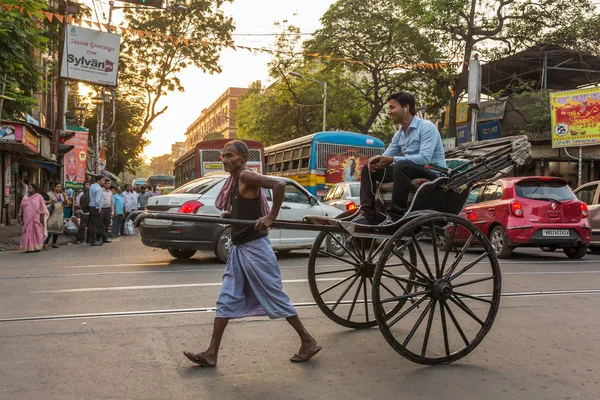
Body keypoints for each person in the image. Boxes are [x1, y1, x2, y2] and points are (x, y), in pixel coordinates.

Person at [183, 140, 320, 367]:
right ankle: (211, 353)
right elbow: (247, 206)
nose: (225, 160)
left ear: (243, 159)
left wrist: (271, 217)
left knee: (275, 296)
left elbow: (279, 186)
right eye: (223, 156)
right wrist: (231, 214)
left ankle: (308, 340)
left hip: (256, 249)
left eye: (230, 156)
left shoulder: (246, 176)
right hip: (240, 249)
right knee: (226, 299)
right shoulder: (235, 180)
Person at [353, 92, 447, 226]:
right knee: (368, 169)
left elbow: (424, 159)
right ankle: (367, 214)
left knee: (401, 164)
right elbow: (387, 156)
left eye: (392, 108)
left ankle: (396, 215)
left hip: (433, 174)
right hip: (407, 170)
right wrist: (376, 161)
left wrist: (392, 160)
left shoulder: (427, 127)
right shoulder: (399, 134)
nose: (389, 112)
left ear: (406, 108)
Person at [19, 184, 49, 253]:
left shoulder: (39, 197)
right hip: (26, 217)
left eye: (30, 188)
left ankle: (37, 246)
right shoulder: (25, 197)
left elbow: (42, 207)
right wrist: (19, 216)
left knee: (37, 231)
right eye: (28, 188)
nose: (29, 189)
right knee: (28, 231)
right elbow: (21, 207)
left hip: (35, 217)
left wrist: (42, 217)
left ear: (35, 189)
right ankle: (28, 247)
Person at [45, 183, 69, 248]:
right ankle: (46, 243)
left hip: (60, 213)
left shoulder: (62, 195)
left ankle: (54, 243)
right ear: (54, 187)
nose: (59, 188)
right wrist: (50, 201)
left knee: (58, 228)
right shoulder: (49, 194)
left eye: (60, 187)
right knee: (50, 227)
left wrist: (64, 197)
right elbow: (44, 202)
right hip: (52, 213)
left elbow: (66, 204)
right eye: (57, 187)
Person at [88, 175, 105, 246]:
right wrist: (99, 208)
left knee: (93, 224)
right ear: (98, 180)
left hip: (91, 206)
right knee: (95, 225)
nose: (104, 182)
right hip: (95, 207)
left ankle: (93, 239)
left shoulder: (92, 186)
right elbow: (97, 200)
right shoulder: (99, 189)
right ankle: (94, 240)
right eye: (103, 180)